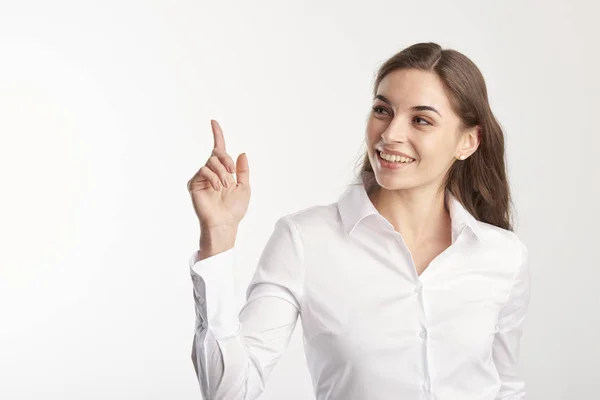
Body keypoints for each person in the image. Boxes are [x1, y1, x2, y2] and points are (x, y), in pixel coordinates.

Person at [186, 42, 531, 400]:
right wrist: (218, 236)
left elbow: (505, 388)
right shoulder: (304, 240)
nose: (390, 134)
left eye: (421, 119)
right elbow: (227, 393)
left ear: (468, 142)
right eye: (383, 110)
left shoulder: (504, 256)